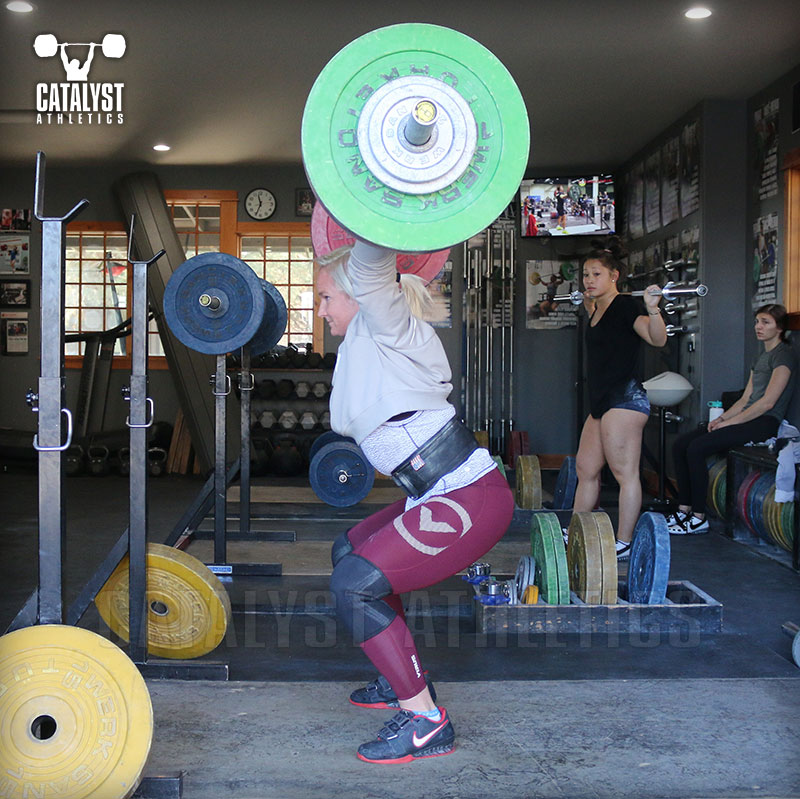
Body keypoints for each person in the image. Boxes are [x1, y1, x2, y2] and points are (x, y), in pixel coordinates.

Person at [317, 237, 514, 764]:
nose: (321, 309)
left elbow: (372, 266)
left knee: (352, 585)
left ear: (359, 295)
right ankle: (397, 676)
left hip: (470, 496)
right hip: (433, 492)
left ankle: (427, 721)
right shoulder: (369, 337)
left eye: (327, 298)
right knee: (349, 551)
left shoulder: (391, 324)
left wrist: (369, 218)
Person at [572, 237, 667, 559]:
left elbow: (656, 339)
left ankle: (625, 541)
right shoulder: (595, 309)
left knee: (624, 474)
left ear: (614, 276)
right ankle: (577, 533)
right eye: (586, 274)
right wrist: (589, 307)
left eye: (596, 274)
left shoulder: (627, 305)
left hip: (625, 400)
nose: (588, 280)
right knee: (585, 470)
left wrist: (654, 310)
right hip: (601, 402)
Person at [668, 304, 796, 534]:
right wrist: (721, 419)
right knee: (680, 445)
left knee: (697, 448)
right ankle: (683, 510)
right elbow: (746, 397)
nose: (759, 326)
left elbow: (767, 403)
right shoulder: (761, 357)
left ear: (779, 328)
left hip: (764, 422)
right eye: (757, 321)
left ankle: (698, 517)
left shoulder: (783, 355)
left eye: (765, 322)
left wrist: (730, 424)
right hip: (747, 417)